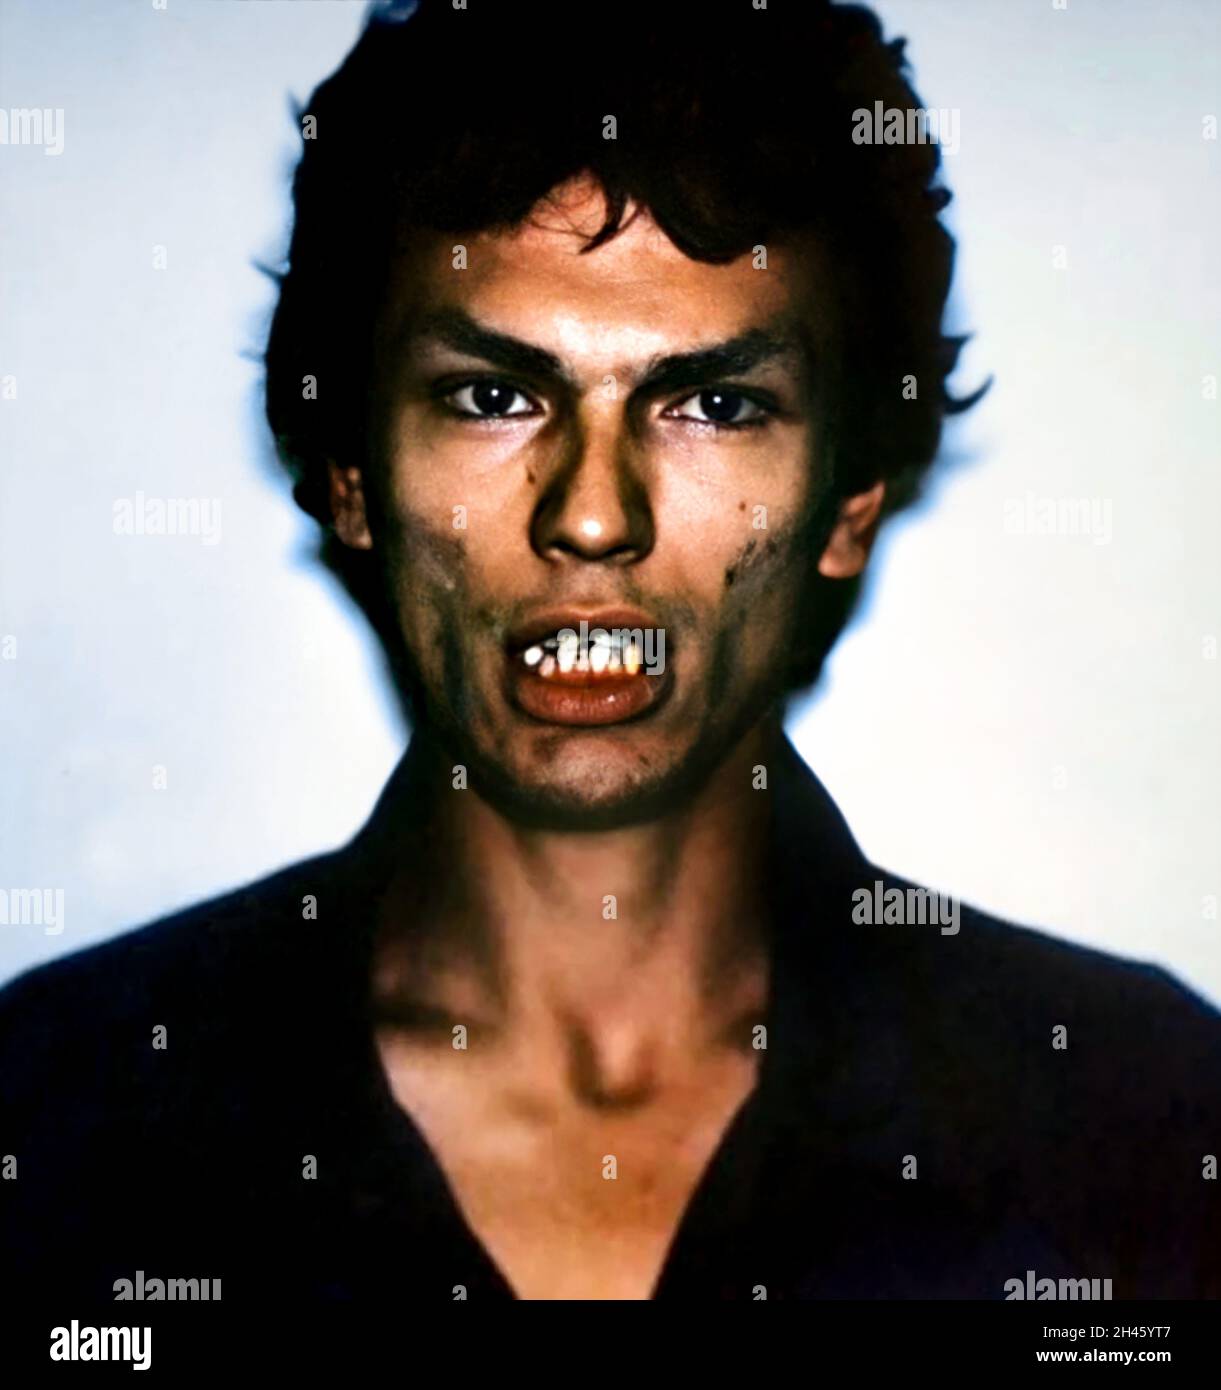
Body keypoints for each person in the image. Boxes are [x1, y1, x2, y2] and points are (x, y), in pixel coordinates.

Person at [2, 0, 1218, 1302]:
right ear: (352, 476)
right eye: (492, 395)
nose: (591, 515)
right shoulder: (57, 1116)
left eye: (714, 404)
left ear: (848, 503)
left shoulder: (1137, 1122)